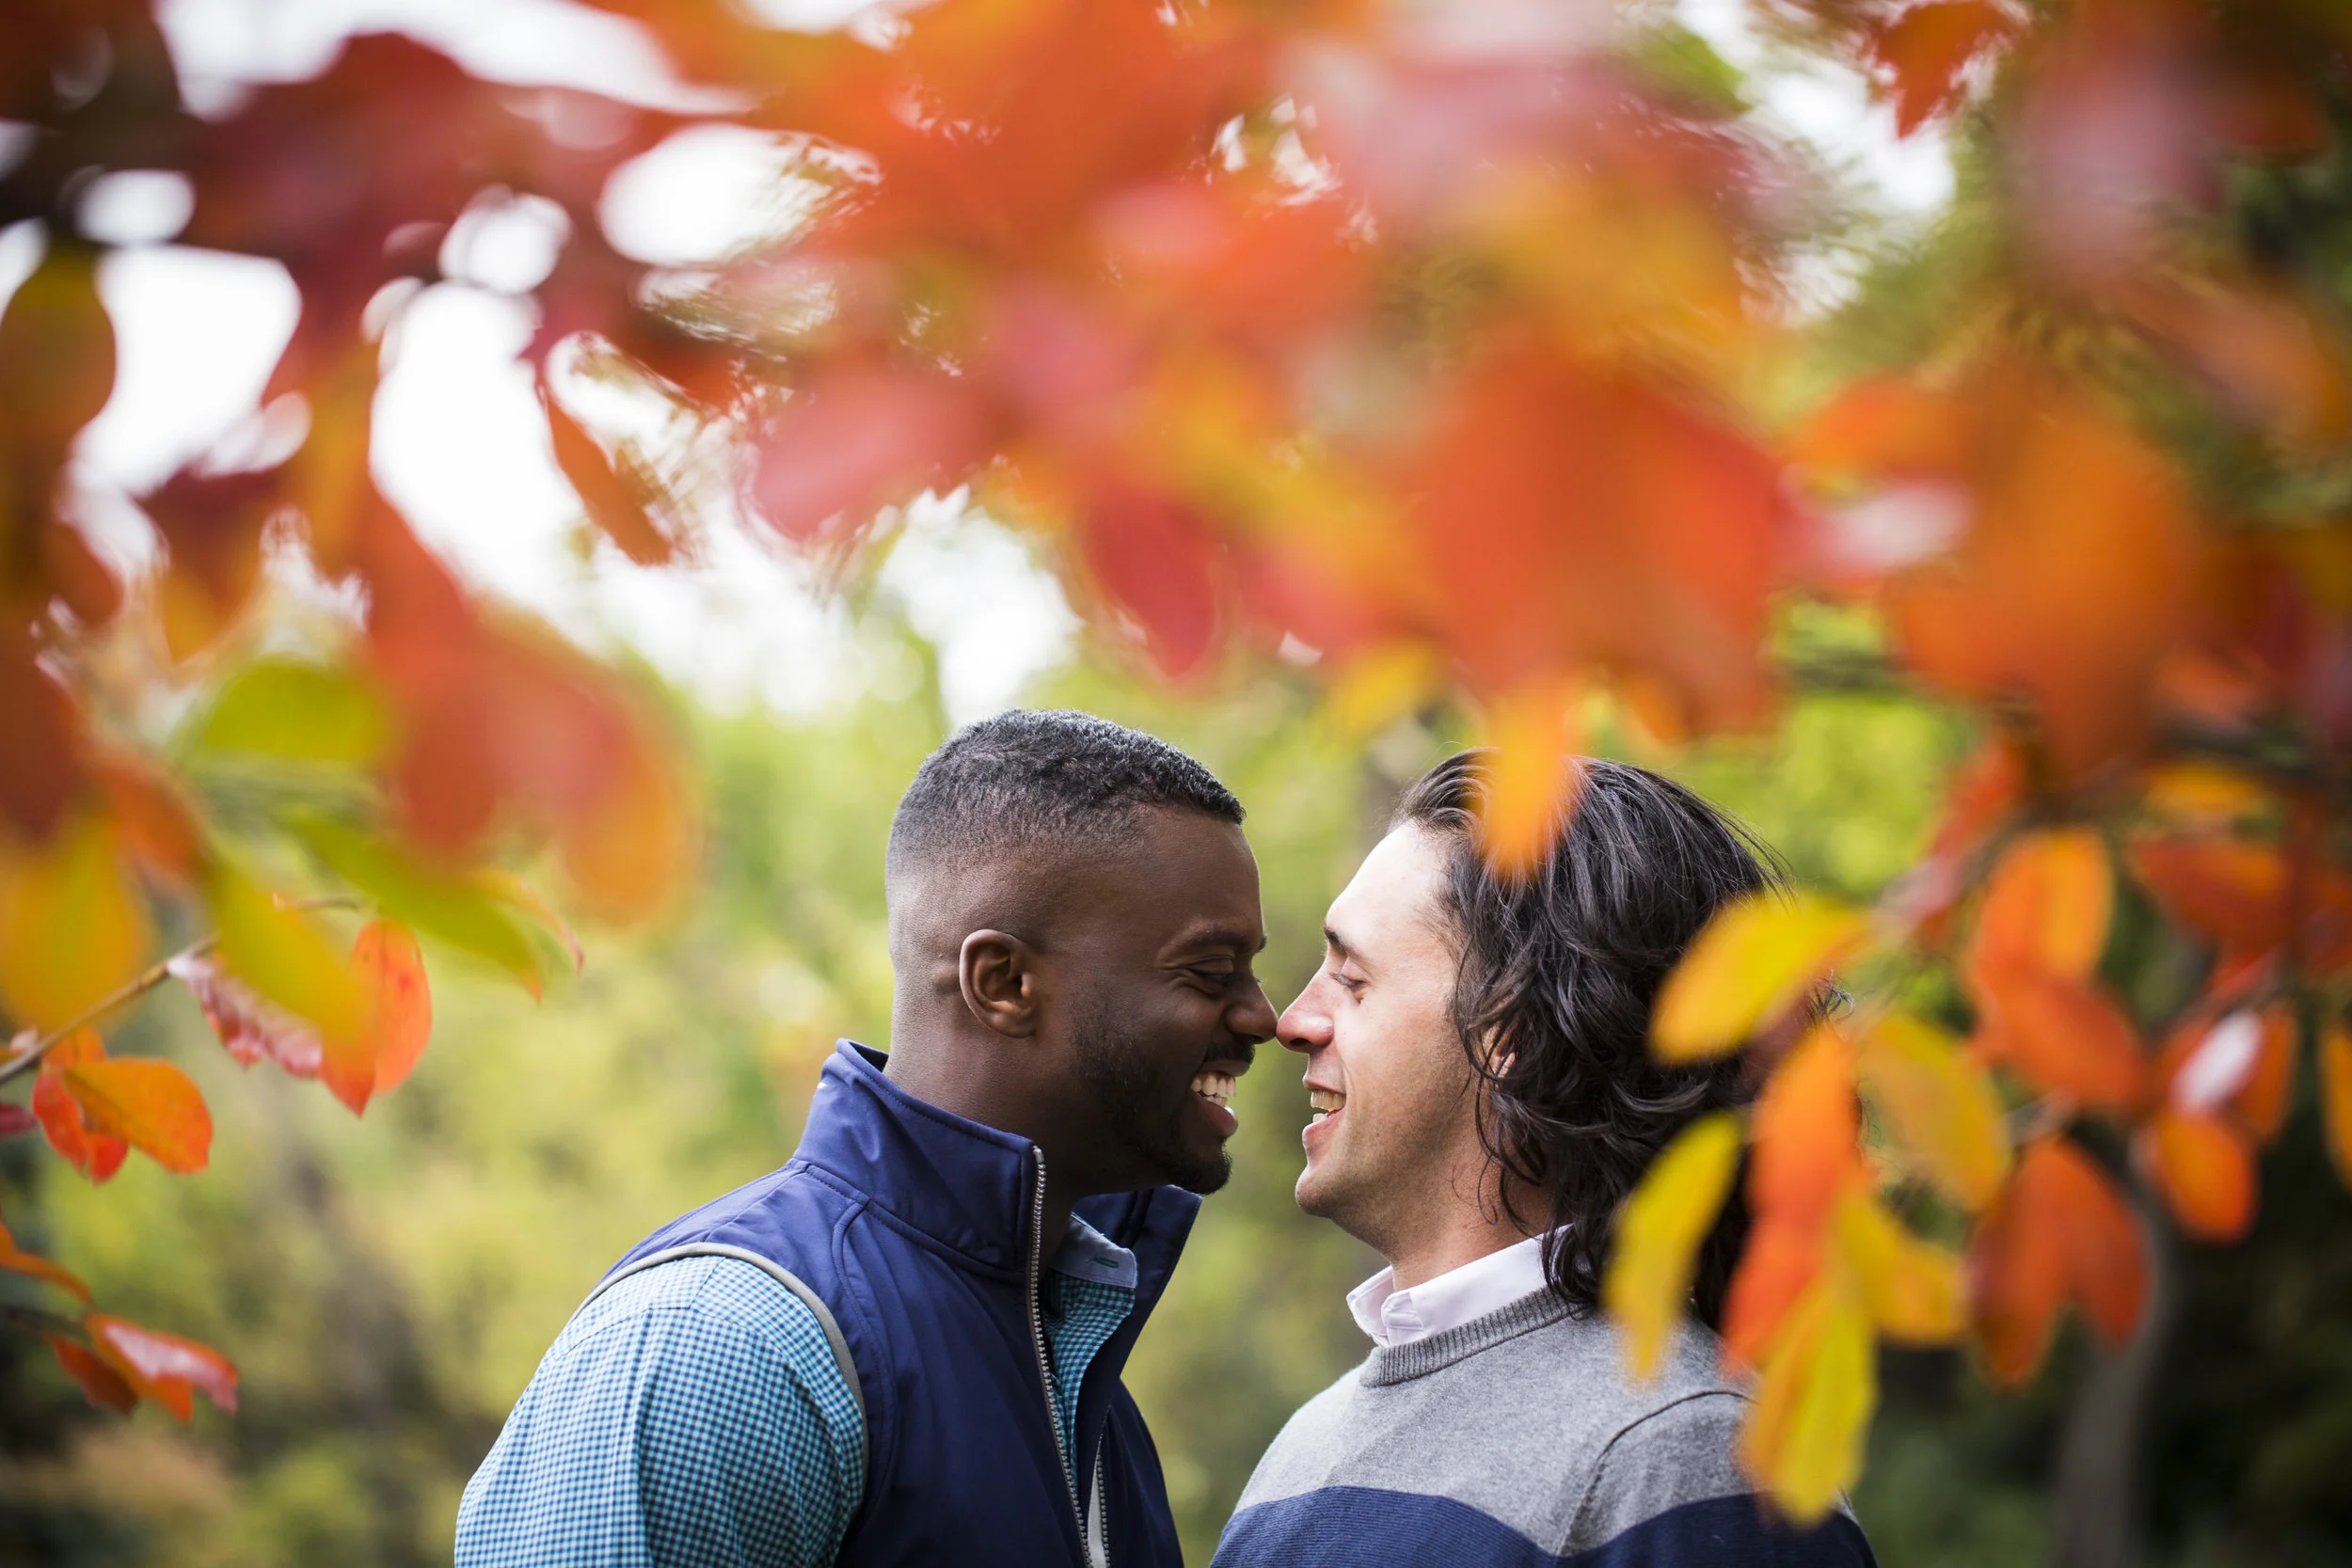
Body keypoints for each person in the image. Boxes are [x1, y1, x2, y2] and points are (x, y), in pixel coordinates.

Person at [457, 709, 1276, 1568]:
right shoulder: (723, 1347)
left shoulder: (1078, 1381)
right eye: (1210, 973)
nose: (1266, 1016)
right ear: (1004, 982)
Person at [1214, 751, 1876, 1567]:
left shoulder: (1690, 1458)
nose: (1291, 1020)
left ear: (1514, 1032)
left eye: (1352, 980)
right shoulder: (1302, 1450)